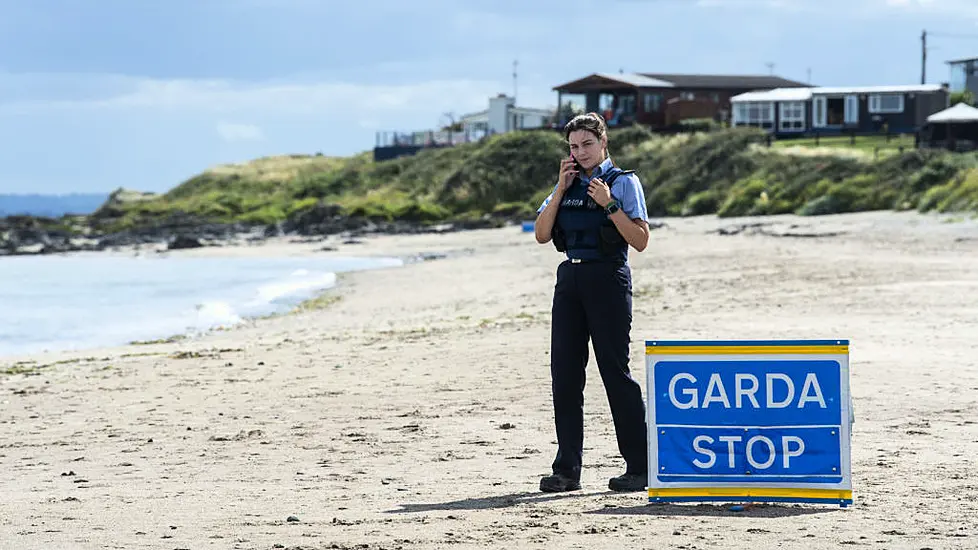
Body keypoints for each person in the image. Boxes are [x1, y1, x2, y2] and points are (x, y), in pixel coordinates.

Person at [533, 112, 651, 493]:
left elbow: (640, 240)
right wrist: (560, 187)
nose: (580, 152)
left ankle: (639, 466)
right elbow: (541, 233)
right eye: (573, 147)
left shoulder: (624, 183)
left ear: (603, 143)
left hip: (608, 278)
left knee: (615, 371)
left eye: (586, 144)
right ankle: (567, 470)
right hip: (570, 279)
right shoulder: (564, 186)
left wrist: (609, 204)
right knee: (565, 375)